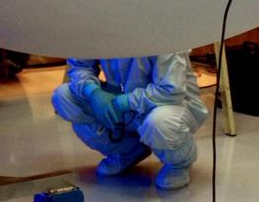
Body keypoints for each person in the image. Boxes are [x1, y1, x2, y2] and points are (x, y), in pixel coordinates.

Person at [51, 53, 207, 191]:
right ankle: (126, 151)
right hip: (120, 94)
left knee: (160, 122)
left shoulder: (162, 28)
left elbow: (170, 91)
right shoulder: (97, 26)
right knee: (64, 97)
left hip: (166, 102)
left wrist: (122, 103)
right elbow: (80, 66)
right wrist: (93, 92)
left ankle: (178, 163)